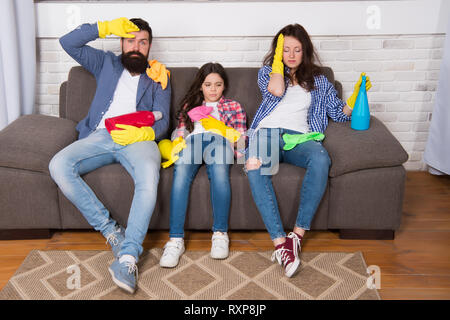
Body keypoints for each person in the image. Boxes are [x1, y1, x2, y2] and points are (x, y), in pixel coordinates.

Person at [48, 17, 171, 293]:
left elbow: (163, 123)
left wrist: (144, 133)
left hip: (138, 139)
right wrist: (101, 28)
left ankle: (128, 257)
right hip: (101, 136)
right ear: (121, 41)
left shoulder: (159, 76)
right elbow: (67, 42)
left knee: (149, 178)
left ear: (150, 46)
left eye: (143, 42)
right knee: (58, 165)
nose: (137, 47)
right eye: (131, 41)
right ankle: (111, 232)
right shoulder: (105, 62)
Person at [245, 24, 370, 278]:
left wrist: (356, 96)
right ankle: (280, 244)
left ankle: (296, 237)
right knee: (255, 165)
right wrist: (277, 61)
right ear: (279, 51)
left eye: (297, 50)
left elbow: (338, 114)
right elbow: (277, 90)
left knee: (321, 159)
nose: (291, 55)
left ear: (305, 51)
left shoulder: (320, 81)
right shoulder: (268, 73)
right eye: (286, 49)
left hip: (299, 137)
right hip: (267, 133)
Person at [159, 62, 247, 268]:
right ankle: (175, 240)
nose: (213, 89)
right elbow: (180, 133)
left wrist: (223, 130)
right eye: (208, 85)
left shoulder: (234, 107)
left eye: (218, 84)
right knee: (180, 173)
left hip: (220, 142)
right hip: (193, 142)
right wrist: (177, 142)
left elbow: (242, 141)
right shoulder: (189, 106)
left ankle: (220, 234)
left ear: (224, 86)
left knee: (219, 172)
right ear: (200, 86)